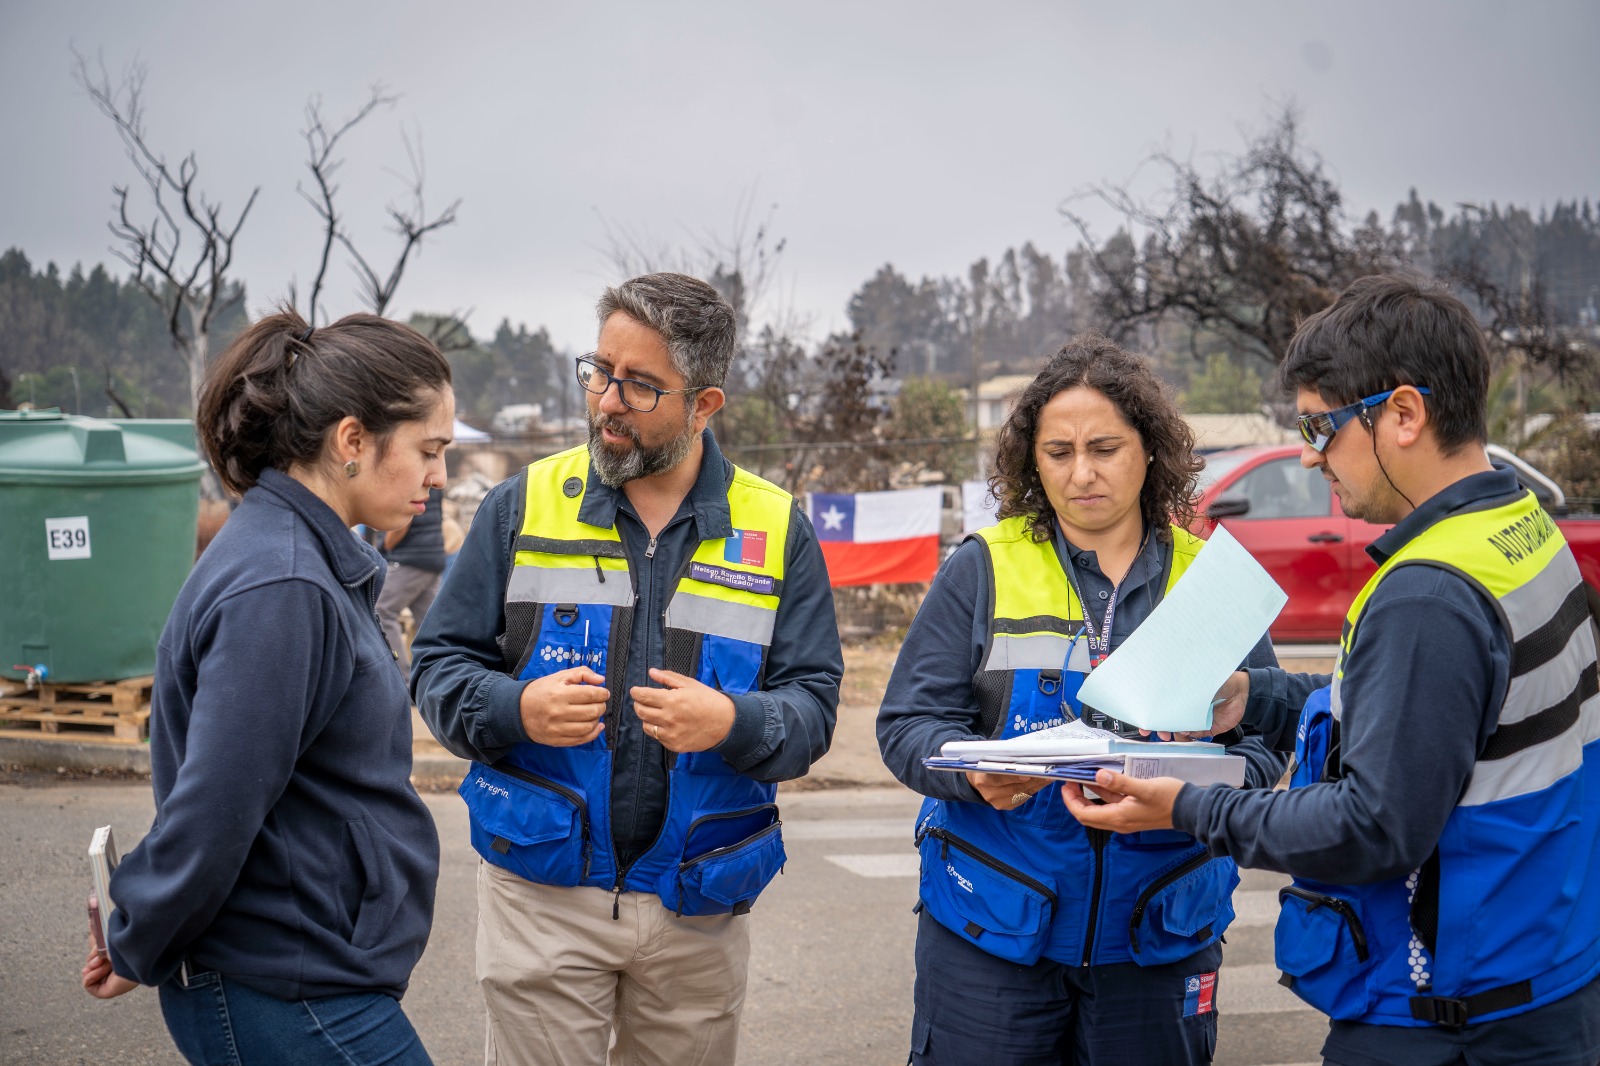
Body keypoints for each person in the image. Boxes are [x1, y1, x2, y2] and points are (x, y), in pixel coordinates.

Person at [1062, 275, 1600, 1066]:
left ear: (1405, 414)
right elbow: (1446, 714)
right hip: (1544, 973)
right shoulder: (1518, 528)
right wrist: (1261, 696)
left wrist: (1187, 808)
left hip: (1445, 1014)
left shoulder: (1428, 595)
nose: (1314, 457)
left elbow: (1373, 828)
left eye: (1321, 428)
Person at [410, 272, 842, 1066]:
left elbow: (813, 708)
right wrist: (513, 710)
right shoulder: (521, 505)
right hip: (543, 894)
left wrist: (734, 724)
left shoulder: (778, 531)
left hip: (697, 902)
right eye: (600, 371)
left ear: (705, 404)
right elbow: (437, 665)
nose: (607, 400)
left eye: (640, 386)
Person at [877, 334, 1287, 1065]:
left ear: (1150, 451)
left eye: (1105, 448)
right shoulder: (982, 567)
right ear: (1032, 460)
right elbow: (908, 725)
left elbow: (1262, 740)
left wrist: (1203, 788)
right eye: (1058, 452)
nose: (1082, 473)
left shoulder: (1211, 580)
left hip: (1160, 935)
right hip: (991, 935)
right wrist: (969, 775)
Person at [79, 310, 452, 1063]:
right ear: (352, 441)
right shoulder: (284, 584)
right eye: (428, 450)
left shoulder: (306, 560)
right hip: (283, 986)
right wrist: (138, 936)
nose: (439, 476)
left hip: (305, 971)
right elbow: (216, 802)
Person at [376, 484, 448, 665]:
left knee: (381, 611)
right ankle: (438, 675)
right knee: (431, 625)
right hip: (433, 557)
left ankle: (401, 677)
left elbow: (402, 520)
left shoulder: (409, 471)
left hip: (409, 558)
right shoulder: (433, 478)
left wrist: (385, 546)